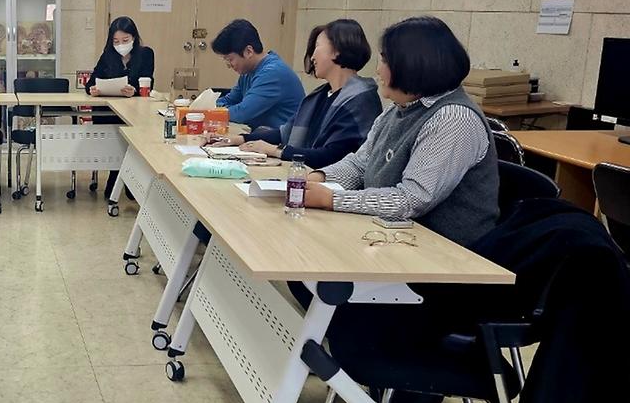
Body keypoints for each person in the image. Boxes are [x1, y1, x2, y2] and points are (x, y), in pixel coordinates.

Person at [304, 16, 498, 247]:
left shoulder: (453, 118)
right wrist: (316, 178)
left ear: (412, 65)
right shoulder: (398, 109)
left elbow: (412, 198)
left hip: (443, 251)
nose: (378, 70)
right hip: (392, 236)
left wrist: (332, 199)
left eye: (385, 61)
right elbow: (360, 164)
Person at [207, 20, 381, 169]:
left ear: (337, 50)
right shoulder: (321, 95)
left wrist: (275, 150)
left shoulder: (359, 100)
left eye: (317, 47)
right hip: (304, 172)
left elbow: (332, 156)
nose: (312, 57)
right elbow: (285, 132)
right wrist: (240, 139)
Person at [85, 16, 155, 197]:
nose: (121, 45)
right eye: (116, 41)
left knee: (133, 138)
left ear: (134, 38)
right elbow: (91, 82)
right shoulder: (108, 55)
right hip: (109, 112)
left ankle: (127, 181)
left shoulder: (146, 54)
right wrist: (93, 89)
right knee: (114, 139)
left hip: (134, 111)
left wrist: (135, 90)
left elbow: (148, 82)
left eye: (125, 40)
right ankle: (117, 177)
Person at [212, 19, 304, 130]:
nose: (228, 65)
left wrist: (209, 113)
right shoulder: (248, 72)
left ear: (248, 51)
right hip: (261, 135)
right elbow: (228, 101)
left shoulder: (273, 73)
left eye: (230, 59)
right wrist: (216, 108)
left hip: (280, 139)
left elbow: (241, 113)